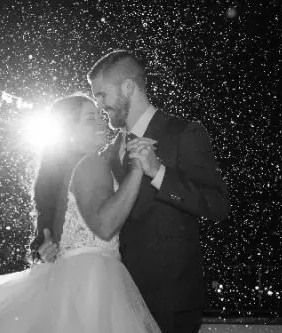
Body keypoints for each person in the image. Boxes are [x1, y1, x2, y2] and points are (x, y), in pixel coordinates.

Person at [0, 94, 161, 333]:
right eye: (90, 118)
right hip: (92, 280)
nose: (102, 121)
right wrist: (137, 170)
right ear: (69, 130)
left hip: (69, 281)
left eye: (100, 115)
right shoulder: (91, 164)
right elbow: (104, 226)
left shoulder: (73, 171)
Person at [88, 50, 231, 333]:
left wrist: (159, 173)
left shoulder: (184, 133)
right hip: (118, 296)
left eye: (102, 95)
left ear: (128, 87)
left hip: (171, 299)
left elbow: (217, 206)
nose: (99, 105)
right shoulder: (105, 153)